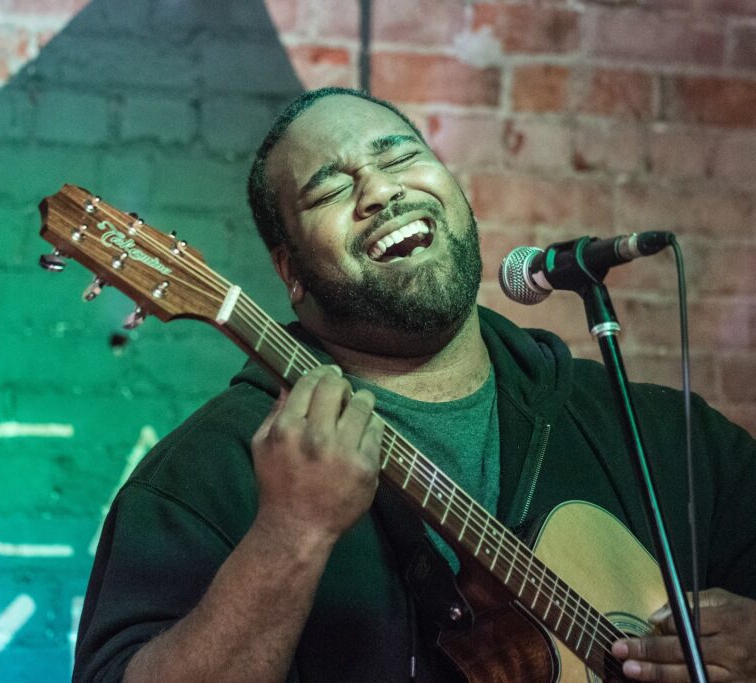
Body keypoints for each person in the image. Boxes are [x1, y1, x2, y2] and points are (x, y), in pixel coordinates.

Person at [73, 87, 756, 682]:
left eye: (400, 157)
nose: (379, 190)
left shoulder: (662, 434)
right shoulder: (205, 475)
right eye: (331, 188)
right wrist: (290, 533)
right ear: (292, 273)